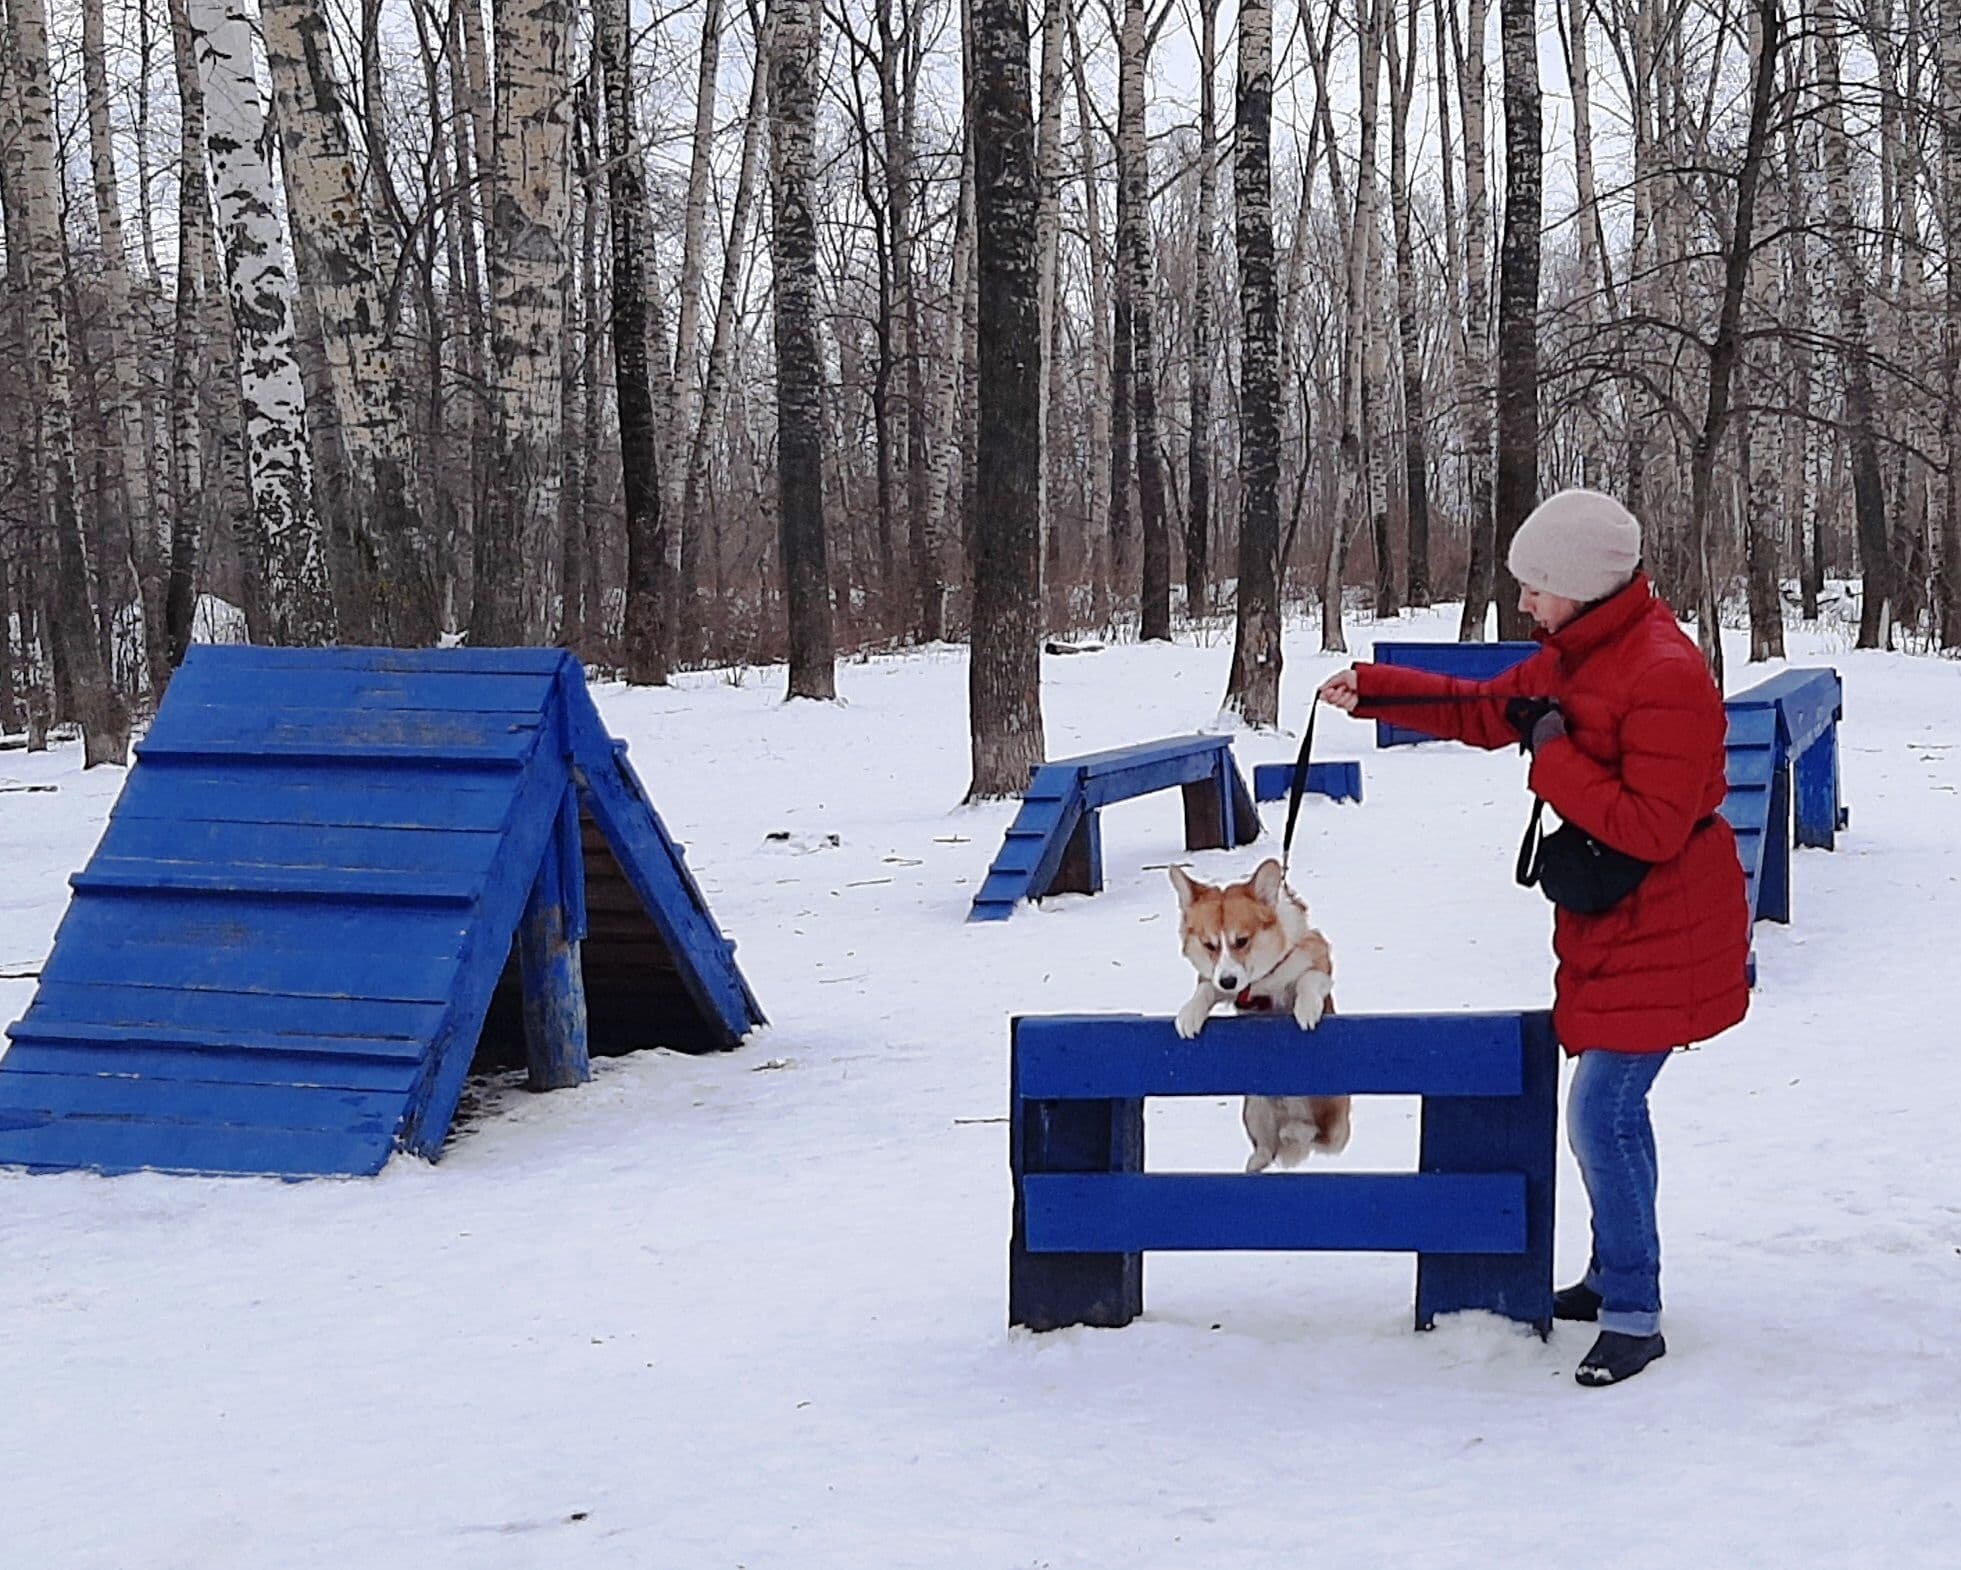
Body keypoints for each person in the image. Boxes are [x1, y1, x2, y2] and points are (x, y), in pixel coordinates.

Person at [1318, 488, 1748, 1387]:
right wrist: (1378, 690)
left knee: (1604, 1112)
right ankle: (1610, 1276)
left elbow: (1650, 827)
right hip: (1611, 925)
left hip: (1666, 927)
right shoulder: (1578, 653)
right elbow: (1489, 709)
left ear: (1584, 587)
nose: (1523, 604)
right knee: (1607, 1113)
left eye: (1535, 588)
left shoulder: (1662, 672)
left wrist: (1550, 756)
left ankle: (1633, 1311)